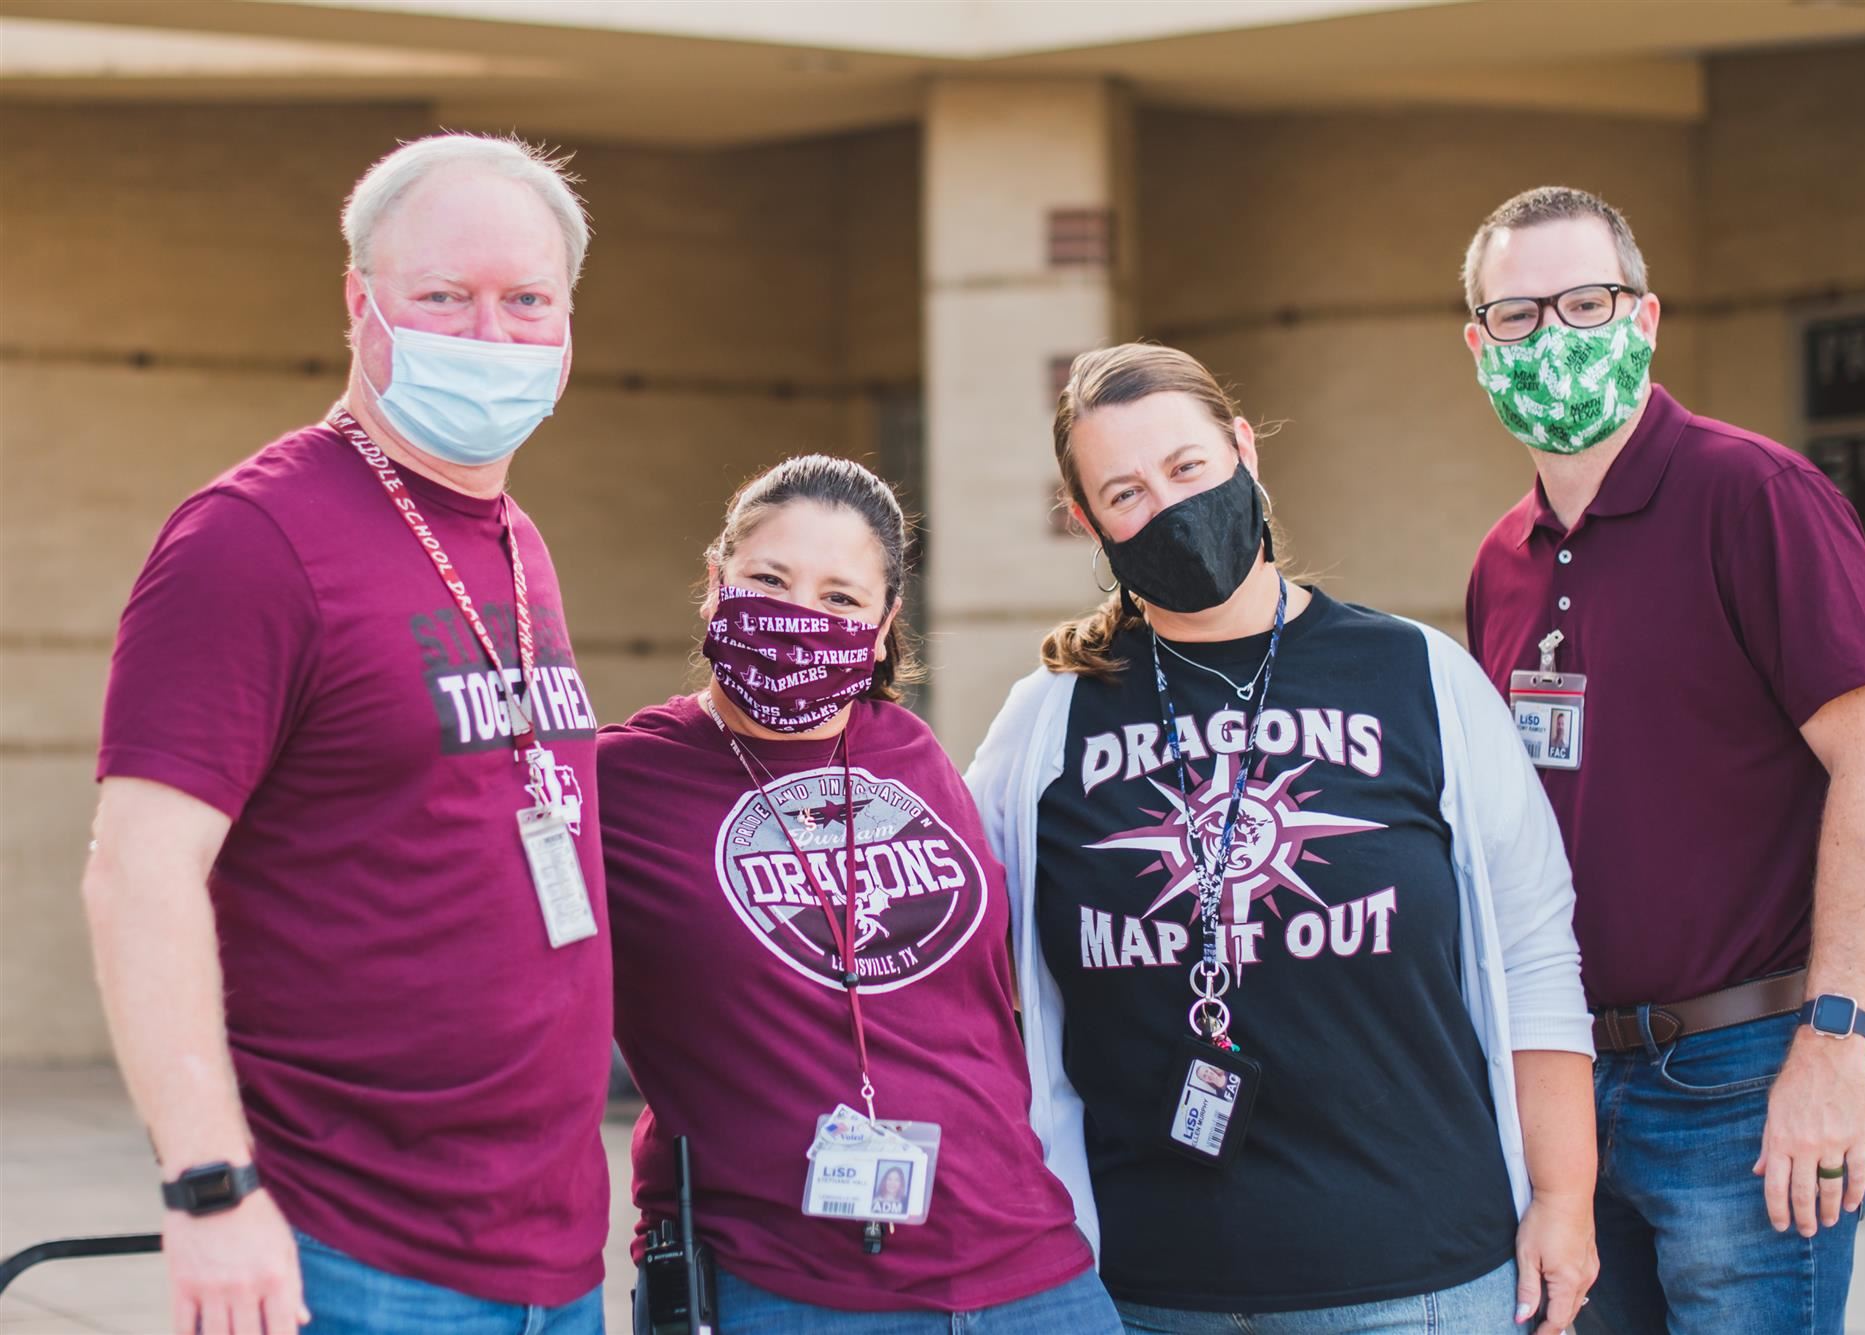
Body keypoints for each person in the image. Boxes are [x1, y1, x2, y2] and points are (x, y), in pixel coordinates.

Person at [83, 134, 611, 1335]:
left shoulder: (515, 542)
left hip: (553, 1252)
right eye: (444, 298)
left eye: (527, 301)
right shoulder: (249, 541)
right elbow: (138, 875)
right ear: (359, 304)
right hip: (350, 1251)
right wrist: (210, 1189)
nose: (490, 335)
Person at [967, 343, 1599, 1334]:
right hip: (1139, 1290)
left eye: (1187, 469)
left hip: (1418, 1283)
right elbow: (960, 964)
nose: (1169, 509)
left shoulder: (1416, 676)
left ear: (1242, 451)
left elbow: (1533, 954)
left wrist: (1563, 1200)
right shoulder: (1046, 721)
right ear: (1086, 523)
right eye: (1124, 492)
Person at [1458, 186, 1865, 1335]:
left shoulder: (1753, 496)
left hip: (1743, 1077)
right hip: (1567, 1088)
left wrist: (1831, 1043)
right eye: (1518, 316)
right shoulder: (1499, 562)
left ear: (1646, 316)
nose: (1553, 337)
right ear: (1476, 344)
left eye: (1585, 303)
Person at [597, 455, 1121, 1333]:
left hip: (1031, 1272)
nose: (802, 615)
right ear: (714, 586)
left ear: (881, 630)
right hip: (786, 1288)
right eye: (770, 579)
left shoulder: (909, 752)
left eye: (840, 598)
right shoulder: (623, 779)